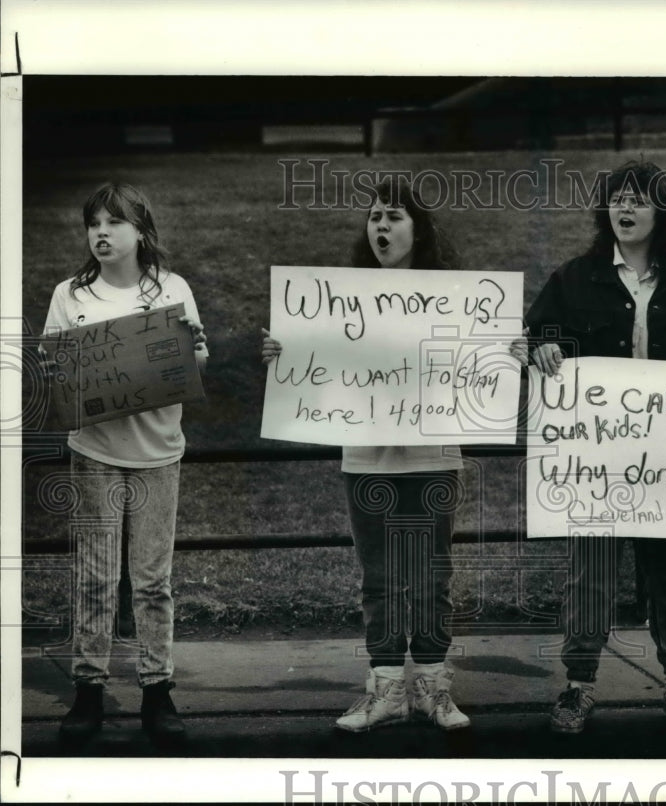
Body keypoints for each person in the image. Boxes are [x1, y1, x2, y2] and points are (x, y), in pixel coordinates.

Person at [525, 160, 666, 733]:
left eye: (639, 201)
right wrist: (544, 350)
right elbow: (536, 338)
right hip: (595, 460)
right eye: (617, 200)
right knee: (590, 572)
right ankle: (578, 687)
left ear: (663, 214)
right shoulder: (575, 278)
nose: (625, 209)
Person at [262, 176, 470, 732]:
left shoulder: (455, 294)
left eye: (395, 216)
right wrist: (282, 353)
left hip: (432, 456)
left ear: (417, 229)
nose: (382, 226)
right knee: (378, 577)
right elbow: (314, 363)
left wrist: (508, 347)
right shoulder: (338, 296)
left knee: (431, 576)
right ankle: (386, 692)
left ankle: (432, 689)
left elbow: (479, 364)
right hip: (366, 459)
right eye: (375, 216)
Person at [45, 182, 208, 747]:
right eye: (93, 224)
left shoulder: (172, 289)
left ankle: (156, 688)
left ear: (141, 231)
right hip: (94, 455)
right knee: (93, 577)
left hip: (159, 454)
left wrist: (193, 347)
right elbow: (53, 369)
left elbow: (194, 361)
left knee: (152, 581)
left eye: (114, 223)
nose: (102, 233)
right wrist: (54, 370)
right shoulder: (70, 294)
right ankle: (88, 688)